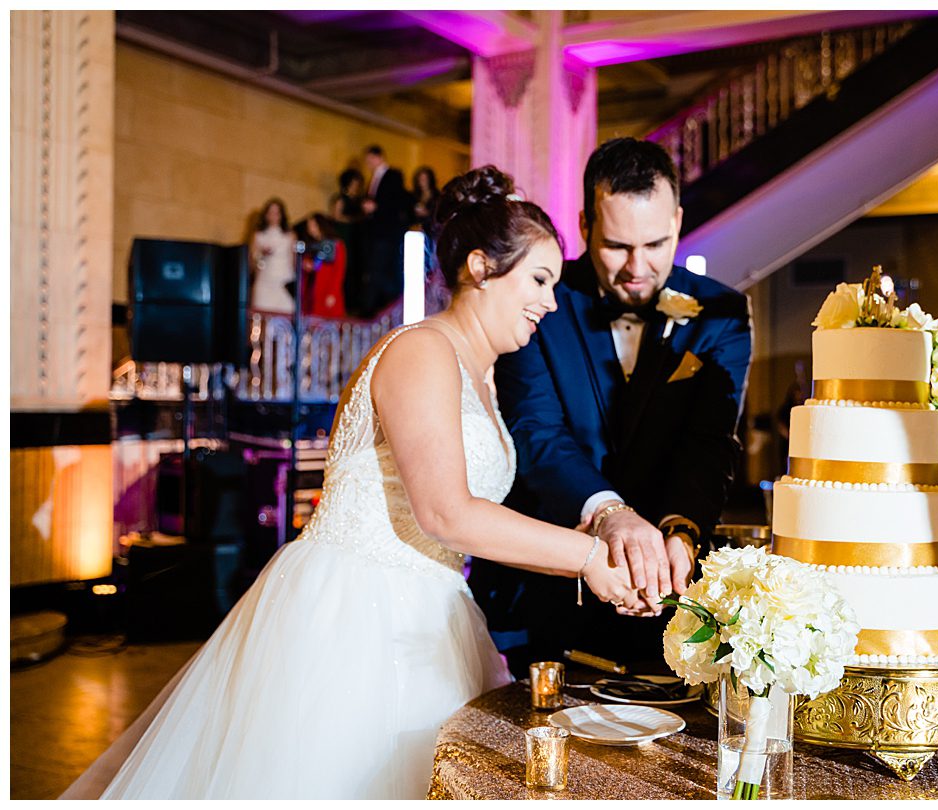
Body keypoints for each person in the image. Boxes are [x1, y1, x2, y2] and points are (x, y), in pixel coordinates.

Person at [61, 167, 651, 799]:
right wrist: (585, 557)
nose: (551, 303)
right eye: (539, 280)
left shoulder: (483, 377)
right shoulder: (422, 351)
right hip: (353, 614)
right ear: (481, 268)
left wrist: (596, 549)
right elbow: (447, 513)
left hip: (431, 611)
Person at [475, 137, 753, 674]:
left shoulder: (722, 311)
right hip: (544, 595)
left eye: (656, 244)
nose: (637, 266)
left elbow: (709, 440)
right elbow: (536, 430)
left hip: (666, 598)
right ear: (585, 225)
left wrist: (682, 532)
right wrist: (609, 512)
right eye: (618, 246)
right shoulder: (538, 299)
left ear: (677, 221)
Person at [348, 145, 415, 320]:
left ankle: (372, 308)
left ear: (377, 157)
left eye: (369, 159)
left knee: (378, 269)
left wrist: (376, 207)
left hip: (385, 233)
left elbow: (395, 202)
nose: (368, 163)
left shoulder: (392, 175)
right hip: (374, 232)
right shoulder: (373, 179)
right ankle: (373, 307)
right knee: (373, 269)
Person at [247, 198, 297, 314]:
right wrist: (261, 254)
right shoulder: (258, 235)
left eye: (277, 213)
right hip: (265, 281)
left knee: (287, 315)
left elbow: (294, 260)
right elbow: (252, 263)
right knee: (262, 315)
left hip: (284, 282)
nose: (273, 216)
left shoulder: (290, 235)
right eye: (270, 212)